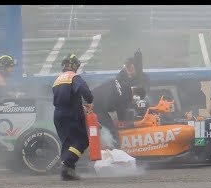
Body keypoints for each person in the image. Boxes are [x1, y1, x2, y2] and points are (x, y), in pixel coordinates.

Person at [91, 49, 150, 148]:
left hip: (90, 99)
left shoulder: (123, 84)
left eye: (131, 67)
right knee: (112, 131)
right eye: (127, 67)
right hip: (95, 107)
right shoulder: (124, 91)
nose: (128, 70)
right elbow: (121, 112)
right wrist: (125, 122)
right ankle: (115, 150)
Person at [52, 53, 94, 181]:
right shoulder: (74, 77)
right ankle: (66, 165)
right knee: (82, 141)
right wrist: (89, 100)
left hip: (58, 115)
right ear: (74, 65)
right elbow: (83, 89)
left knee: (67, 142)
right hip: (72, 114)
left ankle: (68, 172)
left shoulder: (57, 80)